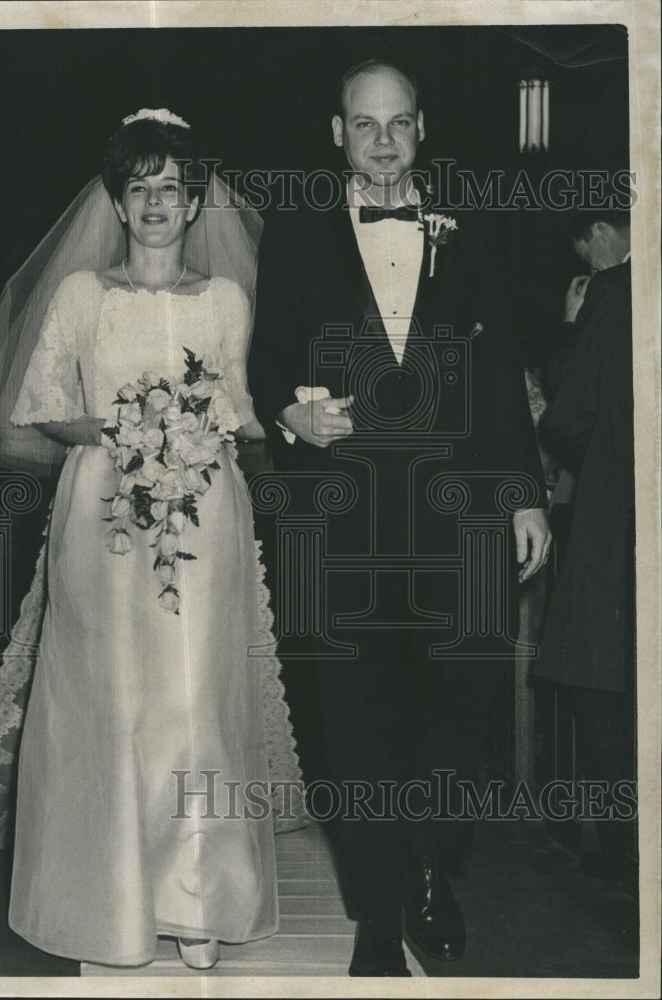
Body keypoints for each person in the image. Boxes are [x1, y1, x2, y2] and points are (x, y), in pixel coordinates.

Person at [0, 110, 304, 971]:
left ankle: (197, 903)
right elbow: (40, 406)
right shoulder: (81, 295)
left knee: (194, 702)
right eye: (138, 187)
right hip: (101, 515)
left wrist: (199, 433)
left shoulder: (227, 301)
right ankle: (107, 900)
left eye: (171, 188)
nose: (155, 202)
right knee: (111, 703)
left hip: (205, 515)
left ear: (193, 205)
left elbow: (239, 411)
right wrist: (127, 431)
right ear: (117, 201)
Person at [248, 58, 551, 976]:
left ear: (421, 131)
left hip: (459, 518)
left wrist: (527, 493)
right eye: (364, 124)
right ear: (337, 135)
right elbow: (266, 367)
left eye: (399, 123)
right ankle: (378, 915)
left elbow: (501, 377)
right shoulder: (296, 236)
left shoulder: (473, 233)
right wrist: (288, 414)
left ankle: (431, 868)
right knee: (359, 722)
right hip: (341, 525)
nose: (383, 140)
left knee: (457, 716)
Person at [534, 209, 634, 880]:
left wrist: (571, 325)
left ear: (600, 233)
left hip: (622, 517)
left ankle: (626, 846)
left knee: (597, 677)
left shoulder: (614, 293)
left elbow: (569, 416)